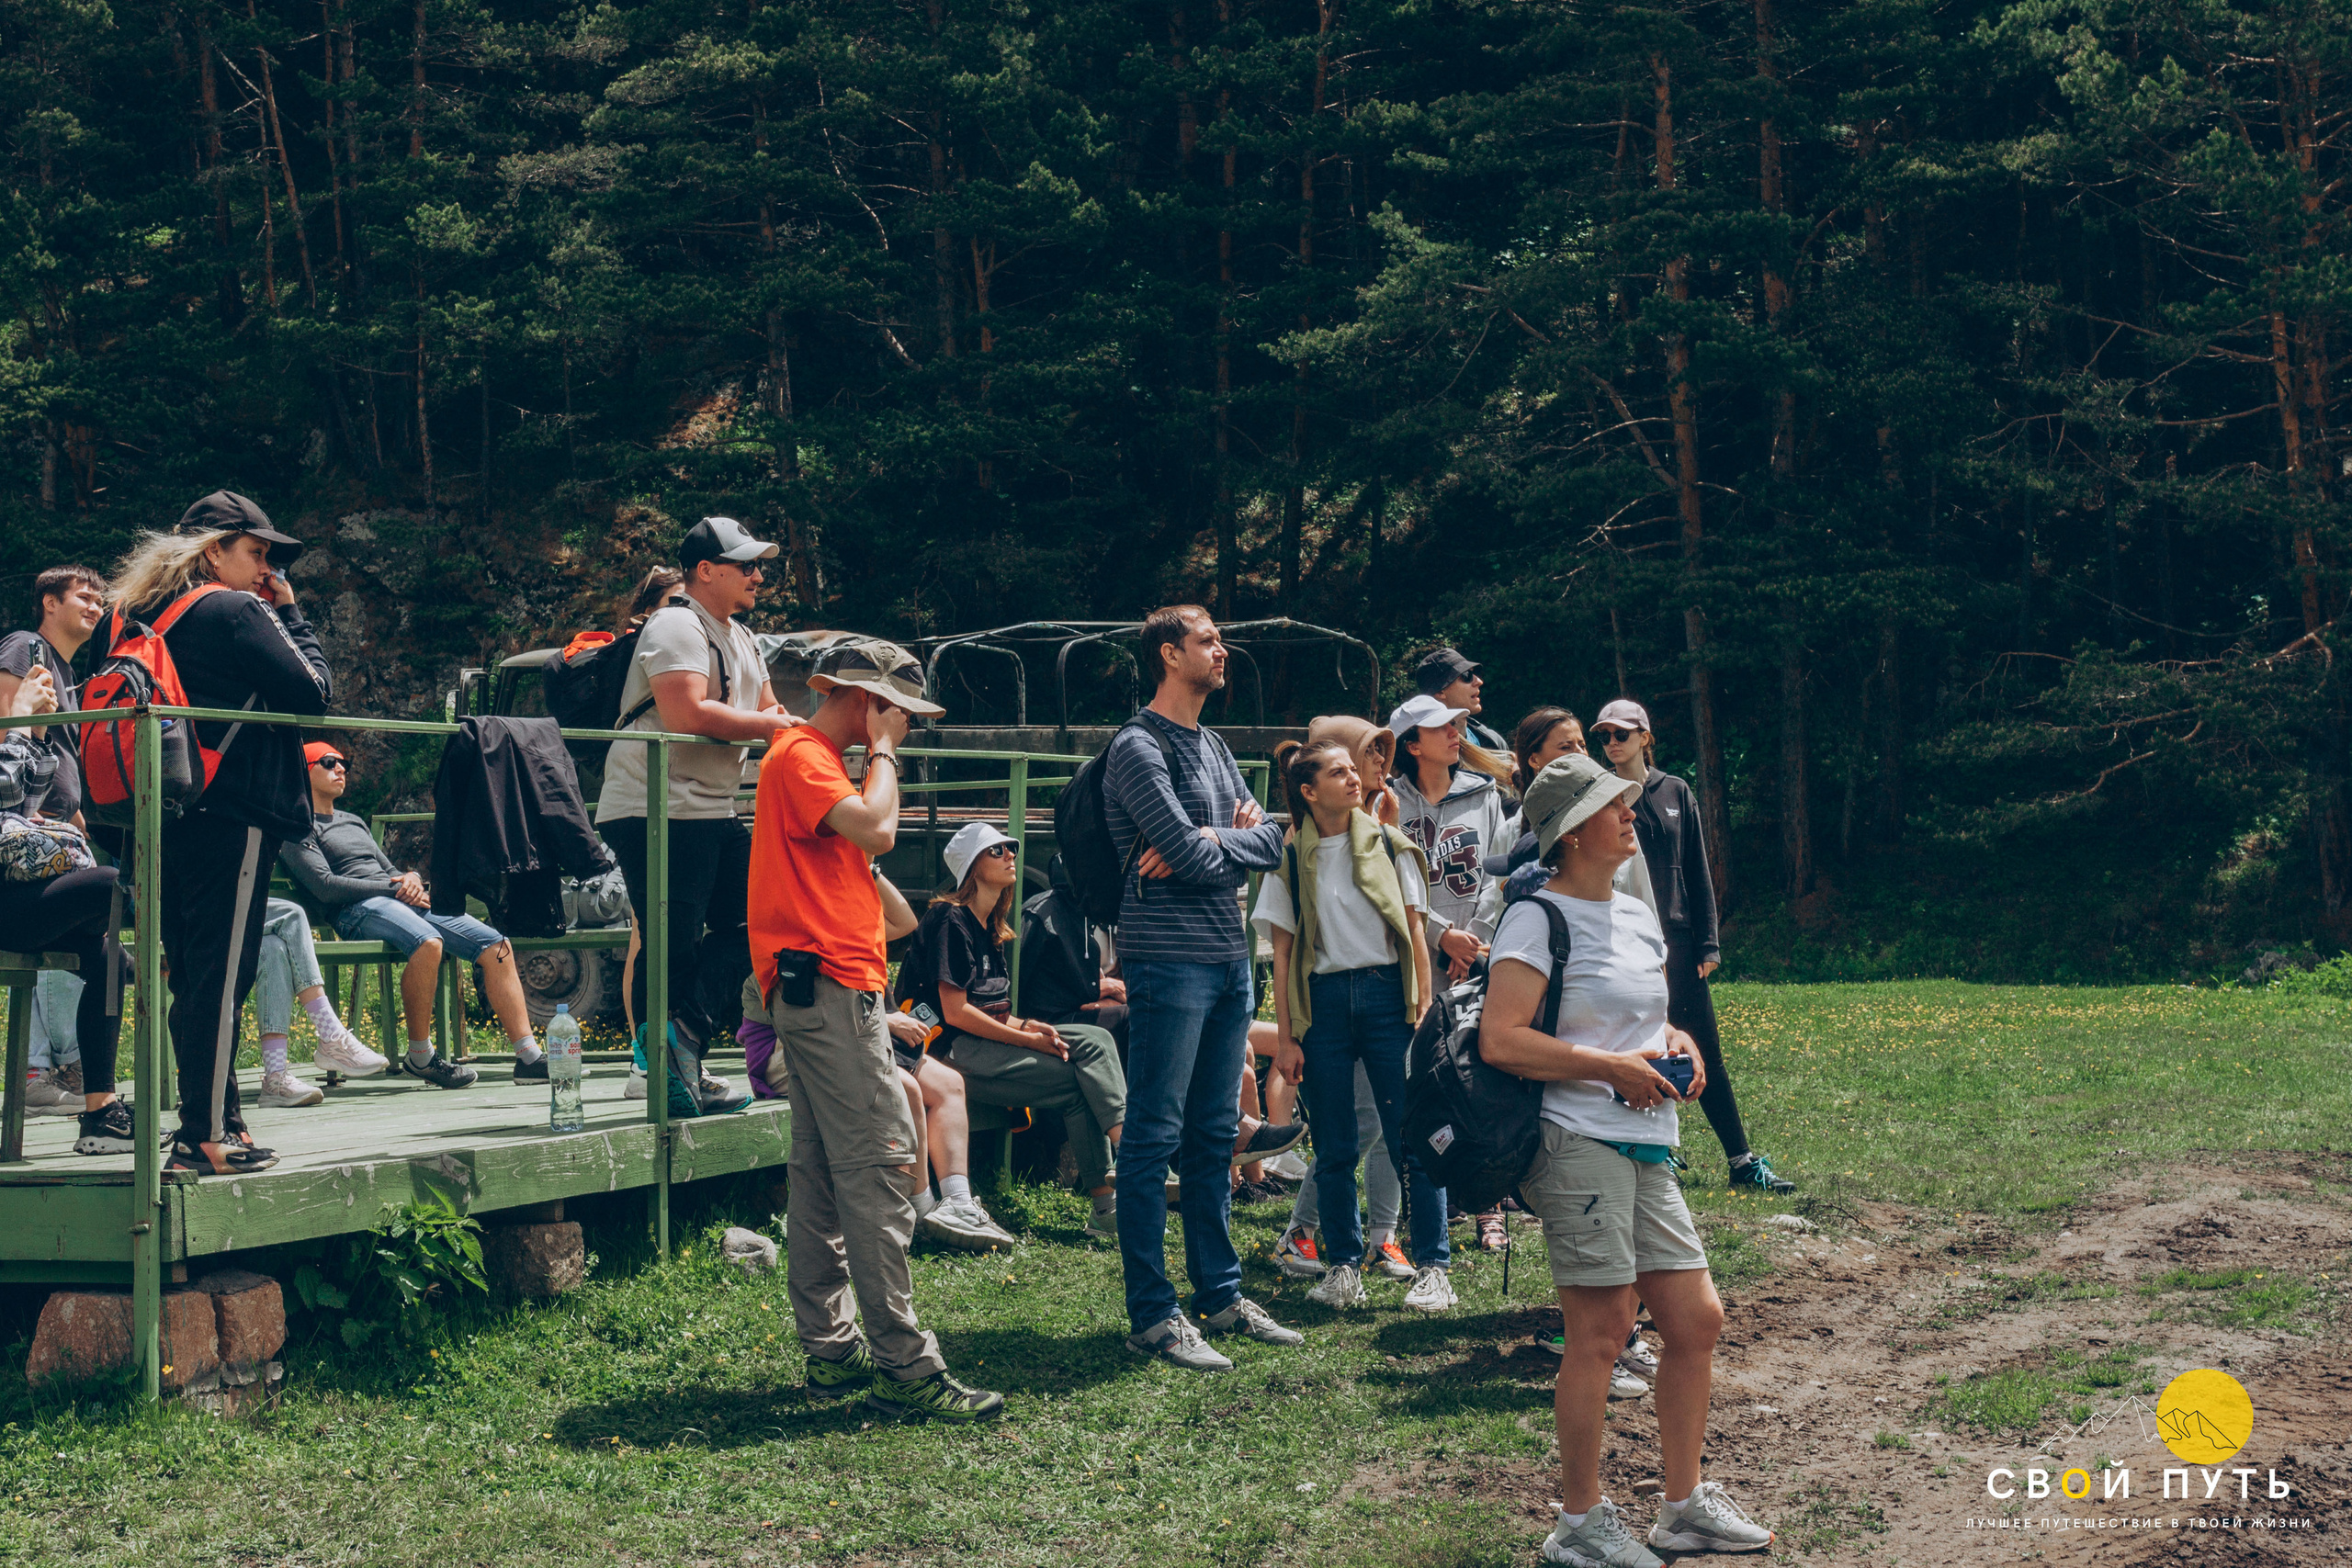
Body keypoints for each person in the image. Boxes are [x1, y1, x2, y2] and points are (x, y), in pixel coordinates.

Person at [1483, 752, 1775, 1564]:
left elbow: (1650, 1016)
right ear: (1571, 831)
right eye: (1615, 807)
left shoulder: (1636, 913)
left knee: (1694, 1320)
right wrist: (1610, 1068)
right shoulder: (1535, 917)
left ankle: (1680, 1508)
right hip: (1574, 1138)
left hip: (1650, 1142)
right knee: (1604, 1330)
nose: (1631, 817)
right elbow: (1501, 1038)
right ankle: (1577, 1523)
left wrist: (1673, 1041)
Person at [747, 635, 1002, 1421]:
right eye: (900, 713)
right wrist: (882, 755)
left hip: (825, 988)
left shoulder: (803, 761)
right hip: (828, 991)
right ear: (867, 701)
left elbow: (883, 896)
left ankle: (832, 1354)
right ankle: (904, 1364)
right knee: (885, 1166)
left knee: (823, 1175)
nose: (908, 729)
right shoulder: (807, 756)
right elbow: (880, 828)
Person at [107, 492, 331, 1175]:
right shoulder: (237, 611)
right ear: (214, 552)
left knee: (201, 973)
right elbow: (315, 690)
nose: (268, 569)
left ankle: (221, 1119)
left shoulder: (133, 616)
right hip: (231, 811)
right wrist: (291, 610)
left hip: (160, 814)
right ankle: (201, 1135)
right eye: (258, 553)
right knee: (220, 977)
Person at [1105, 604, 1305, 1371]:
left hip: (1228, 960)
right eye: (1208, 641)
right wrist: (1226, 841)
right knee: (1154, 1137)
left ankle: (1220, 1295)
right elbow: (1190, 854)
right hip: (1167, 962)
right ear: (1167, 652)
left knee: (1216, 1131)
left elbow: (1269, 836)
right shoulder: (1136, 745)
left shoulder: (1215, 744)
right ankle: (1154, 1313)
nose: (1223, 651)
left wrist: (1220, 838)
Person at [599, 517, 797, 1117]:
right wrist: (773, 726)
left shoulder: (741, 635)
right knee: (673, 943)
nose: (758, 575)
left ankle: (682, 1040)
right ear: (705, 571)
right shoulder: (675, 623)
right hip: (653, 804)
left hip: (710, 806)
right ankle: (669, 1067)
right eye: (746, 565)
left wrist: (805, 737)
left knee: (763, 921)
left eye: (759, 565)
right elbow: (686, 712)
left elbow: (769, 708)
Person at [1254, 737, 1454, 1314]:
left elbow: (1416, 935)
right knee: (1337, 1144)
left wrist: (1419, 1014)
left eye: (1353, 770)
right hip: (1324, 1006)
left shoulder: (1393, 847)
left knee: (1410, 1138)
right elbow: (1286, 957)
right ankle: (1342, 1266)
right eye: (1337, 772)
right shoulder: (1292, 859)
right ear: (1309, 791)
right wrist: (1287, 1038)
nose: (1354, 778)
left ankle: (1434, 1265)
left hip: (1387, 998)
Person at [1593, 699, 1793, 1197]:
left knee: (1703, 1049)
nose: (1612, 743)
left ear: (1645, 736)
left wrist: (1709, 941)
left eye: (1621, 733)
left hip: (1679, 940)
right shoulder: (1601, 796)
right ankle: (1655, 1154)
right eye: (1605, 736)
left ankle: (1741, 1160)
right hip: (1624, 939)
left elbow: (1698, 869)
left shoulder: (1677, 790)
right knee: (1641, 1045)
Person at [905, 822, 1127, 1245]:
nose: (1011, 855)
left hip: (982, 1044)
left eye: (1011, 847)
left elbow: (992, 1011)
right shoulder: (949, 918)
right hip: (944, 1052)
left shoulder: (993, 927)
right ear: (971, 867)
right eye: (997, 850)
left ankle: (1109, 1203)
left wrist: (1027, 1025)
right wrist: (1027, 1039)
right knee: (1085, 1069)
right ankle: (1129, 1169)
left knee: (1092, 1050)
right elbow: (955, 1014)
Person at [280, 741, 544, 1088]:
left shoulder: (353, 821)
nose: (341, 769)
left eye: (343, 762)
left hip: (398, 902)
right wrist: (393, 888)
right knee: (429, 942)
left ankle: (529, 1058)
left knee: (497, 946)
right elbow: (325, 886)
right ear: (304, 771)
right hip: (354, 911)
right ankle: (421, 1058)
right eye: (329, 762)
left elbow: (389, 870)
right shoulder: (296, 826)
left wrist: (412, 879)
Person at [1269, 714, 1408, 1280]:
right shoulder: (1302, 847)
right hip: (1334, 999)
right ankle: (1319, 1233)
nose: (1377, 765)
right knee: (1358, 1126)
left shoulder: (1381, 827)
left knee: (1374, 1124)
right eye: (1368, 753)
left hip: (1385, 991)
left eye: (1375, 755)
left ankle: (1376, 1236)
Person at [1388, 692, 1516, 1250]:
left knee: (1480, 1075)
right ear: (1412, 745)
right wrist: (1443, 938)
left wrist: (1477, 940)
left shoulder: (1482, 792)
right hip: (1416, 959)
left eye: (1456, 726)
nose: (1454, 734)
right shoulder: (1389, 802)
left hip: (1479, 953)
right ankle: (1424, 1203)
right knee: (1423, 1076)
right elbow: (1394, 882)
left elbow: (1497, 870)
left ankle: (1487, 1197)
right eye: (1441, 728)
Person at [0, 674, 127, 1156]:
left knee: (105, 956)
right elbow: (5, 795)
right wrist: (16, 724)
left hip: (15, 892)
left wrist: (35, 732)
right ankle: (179, 952)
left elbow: (23, 802)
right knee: (112, 887)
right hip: (6, 903)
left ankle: (100, 1113)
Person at [4, 563, 107, 1117]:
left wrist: (78, 814)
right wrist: (31, 810)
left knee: (99, 943)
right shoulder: (26, 649)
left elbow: (60, 754)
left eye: (99, 600)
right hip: (21, 835)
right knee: (107, 909)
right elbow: (8, 728)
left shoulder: (68, 670)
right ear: (49, 601)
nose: (95, 607)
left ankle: (77, 1087)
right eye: (83, 597)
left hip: (55, 828)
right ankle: (48, 1069)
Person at [250, 897, 390, 1104]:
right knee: (291, 914)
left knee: (272, 948)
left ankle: (275, 1078)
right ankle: (331, 1036)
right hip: (199, 909)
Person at [1412, 647, 1508, 752]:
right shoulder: (1422, 753)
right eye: (1466, 676)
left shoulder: (1494, 742)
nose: (1479, 681)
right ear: (1440, 692)